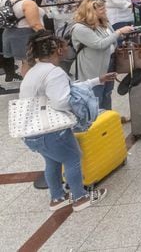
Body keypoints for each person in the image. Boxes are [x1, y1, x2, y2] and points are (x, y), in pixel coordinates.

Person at [19, 30, 112, 212]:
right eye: (65, 45)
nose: (68, 48)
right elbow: (61, 100)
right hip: (53, 131)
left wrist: (95, 81)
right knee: (72, 159)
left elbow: (66, 88)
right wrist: (79, 108)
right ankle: (80, 198)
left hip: (33, 131)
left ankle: (57, 198)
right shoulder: (54, 72)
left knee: (52, 162)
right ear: (57, 50)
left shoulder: (33, 72)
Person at [71, 0, 135, 109]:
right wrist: (119, 32)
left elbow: (110, 39)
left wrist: (122, 36)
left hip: (108, 62)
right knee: (96, 95)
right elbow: (99, 44)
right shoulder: (79, 28)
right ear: (90, 11)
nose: (105, 10)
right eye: (102, 9)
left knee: (107, 93)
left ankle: (108, 119)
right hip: (92, 67)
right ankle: (97, 122)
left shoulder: (103, 22)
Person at [2, 0, 44, 76]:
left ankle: (27, 85)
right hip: (25, 35)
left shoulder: (6, 1)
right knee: (30, 63)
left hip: (10, 34)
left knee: (26, 62)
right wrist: (46, 36)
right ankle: (29, 86)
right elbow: (35, 24)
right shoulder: (28, 3)